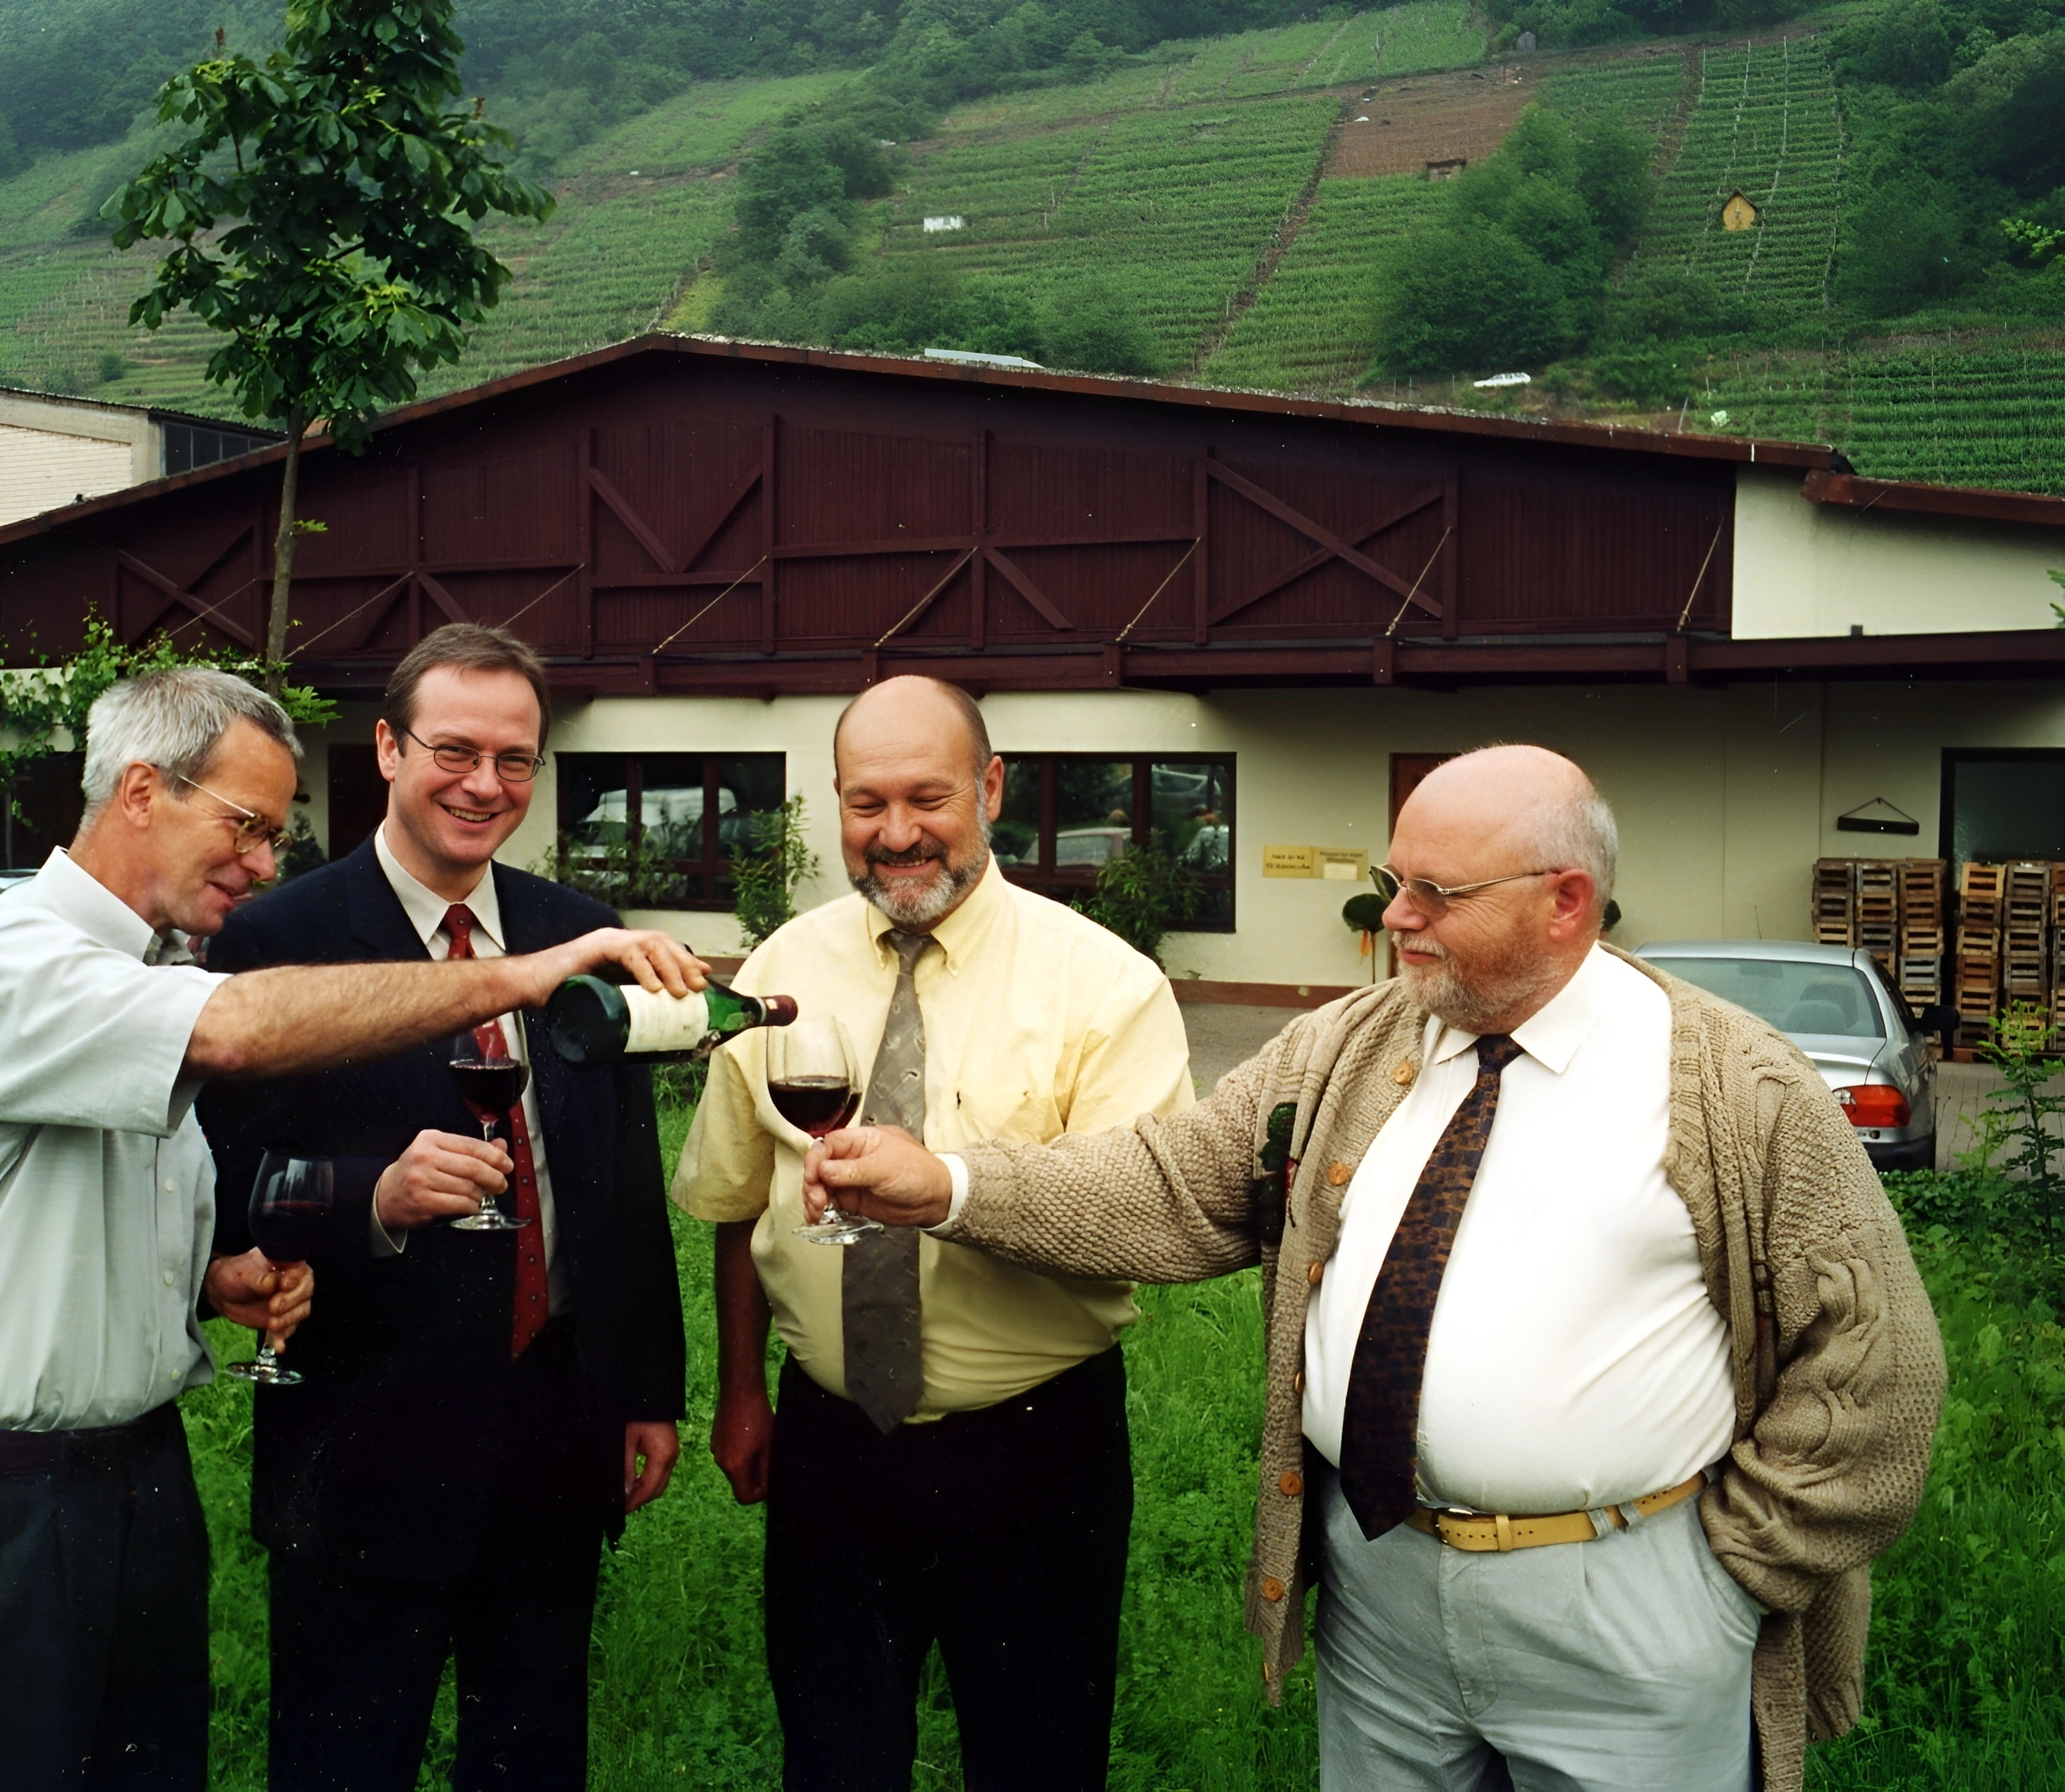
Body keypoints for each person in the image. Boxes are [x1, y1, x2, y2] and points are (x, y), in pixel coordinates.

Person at [803, 744, 1947, 1792]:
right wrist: (949, 1185)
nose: (1395, 914)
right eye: (1392, 877)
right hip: (1381, 1594)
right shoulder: (1350, 1043)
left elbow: (1879, 1366)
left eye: (1436, 894)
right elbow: (1169, 1180)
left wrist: (1724, 1571)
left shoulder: (1736, 1087)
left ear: (1566, 903)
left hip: (1632, 1607)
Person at [0, 664, 703, 1791]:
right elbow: (232, 1042)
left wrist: (212, 1275)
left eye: (277, 834)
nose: (266, 860)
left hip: (143, 1466)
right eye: (247, 824)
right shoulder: (24, 960)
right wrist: (511, 989)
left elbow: (152, 1200)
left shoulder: (138, 970)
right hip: (36, 1484)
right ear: (142, 789)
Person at [674, 675, 1194, 1792]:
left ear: (991, 787)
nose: (897, 833)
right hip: (830, 1437)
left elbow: (1142, 1212)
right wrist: (742, 1393)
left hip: (1035, 1443)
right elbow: (734, 1200)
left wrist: (948, 1186)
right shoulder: (778, 972)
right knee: (833, 1753)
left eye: (928, 797)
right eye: (867, 803)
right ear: (834, 804)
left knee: (1039, 1758)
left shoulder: (1106, 984)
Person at [198, 624, 690, 1791]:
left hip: (554, 1425)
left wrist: (646, 1389)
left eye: (515, 759)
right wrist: (374, 1195)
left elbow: (619, 1186)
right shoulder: (281, 935)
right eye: (454, 749)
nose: (485, 783)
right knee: (344, 1756)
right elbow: (219, 1185)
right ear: (385, 746)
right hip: (366, 1433)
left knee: (532, 1753)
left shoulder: (578, 925)